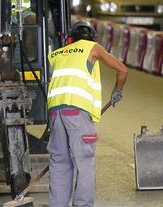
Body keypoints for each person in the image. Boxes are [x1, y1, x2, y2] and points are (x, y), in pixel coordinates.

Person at [46, 20, 128, 207]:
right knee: (84, 161)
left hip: (55, 112)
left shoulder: (57, 54)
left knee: (59, 162)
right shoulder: (93, 48)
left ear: (70, 39)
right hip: (77, 113)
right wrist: (118, 90)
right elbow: (122, 70)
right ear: (91, 38)